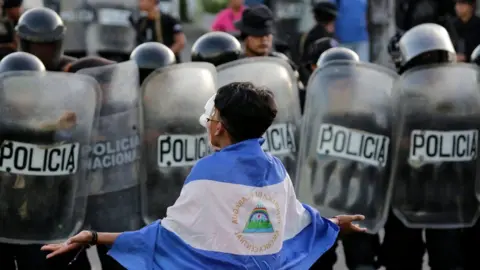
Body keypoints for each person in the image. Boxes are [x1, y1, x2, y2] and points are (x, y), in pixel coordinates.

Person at [42, 82, 366, 269]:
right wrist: (336, 225)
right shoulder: (274, 167)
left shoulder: (208, 172)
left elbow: (167, 237)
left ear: (219, 127)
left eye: (212, 116)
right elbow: (297, 223)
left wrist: (94, 237)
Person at [380, 23, 467, 270]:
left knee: (448, 257)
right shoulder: (395, 97)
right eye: (425, 63)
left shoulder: (460, 98)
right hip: (405, 191)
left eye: (435, 62)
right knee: (402, 257)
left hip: (446, 192)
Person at [0, 50, 87, 270]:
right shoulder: (47, 124)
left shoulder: (52, 117)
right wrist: (52, 128)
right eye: (16, 89)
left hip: (37, 225)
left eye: (28, 89)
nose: (22, 96)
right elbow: (13, 132)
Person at [308, 47, 382, 270]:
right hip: (319, 208)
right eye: (334, 81)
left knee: (363, 263)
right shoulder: (310, 119)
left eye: (346, 81)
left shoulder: (369, 120)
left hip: (358, 206)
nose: (340, 87)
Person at [15, 7, 76, 71]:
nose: (43, 51)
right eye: (38, 45)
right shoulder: (12, 68)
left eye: (49, 45)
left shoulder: (71, 68)